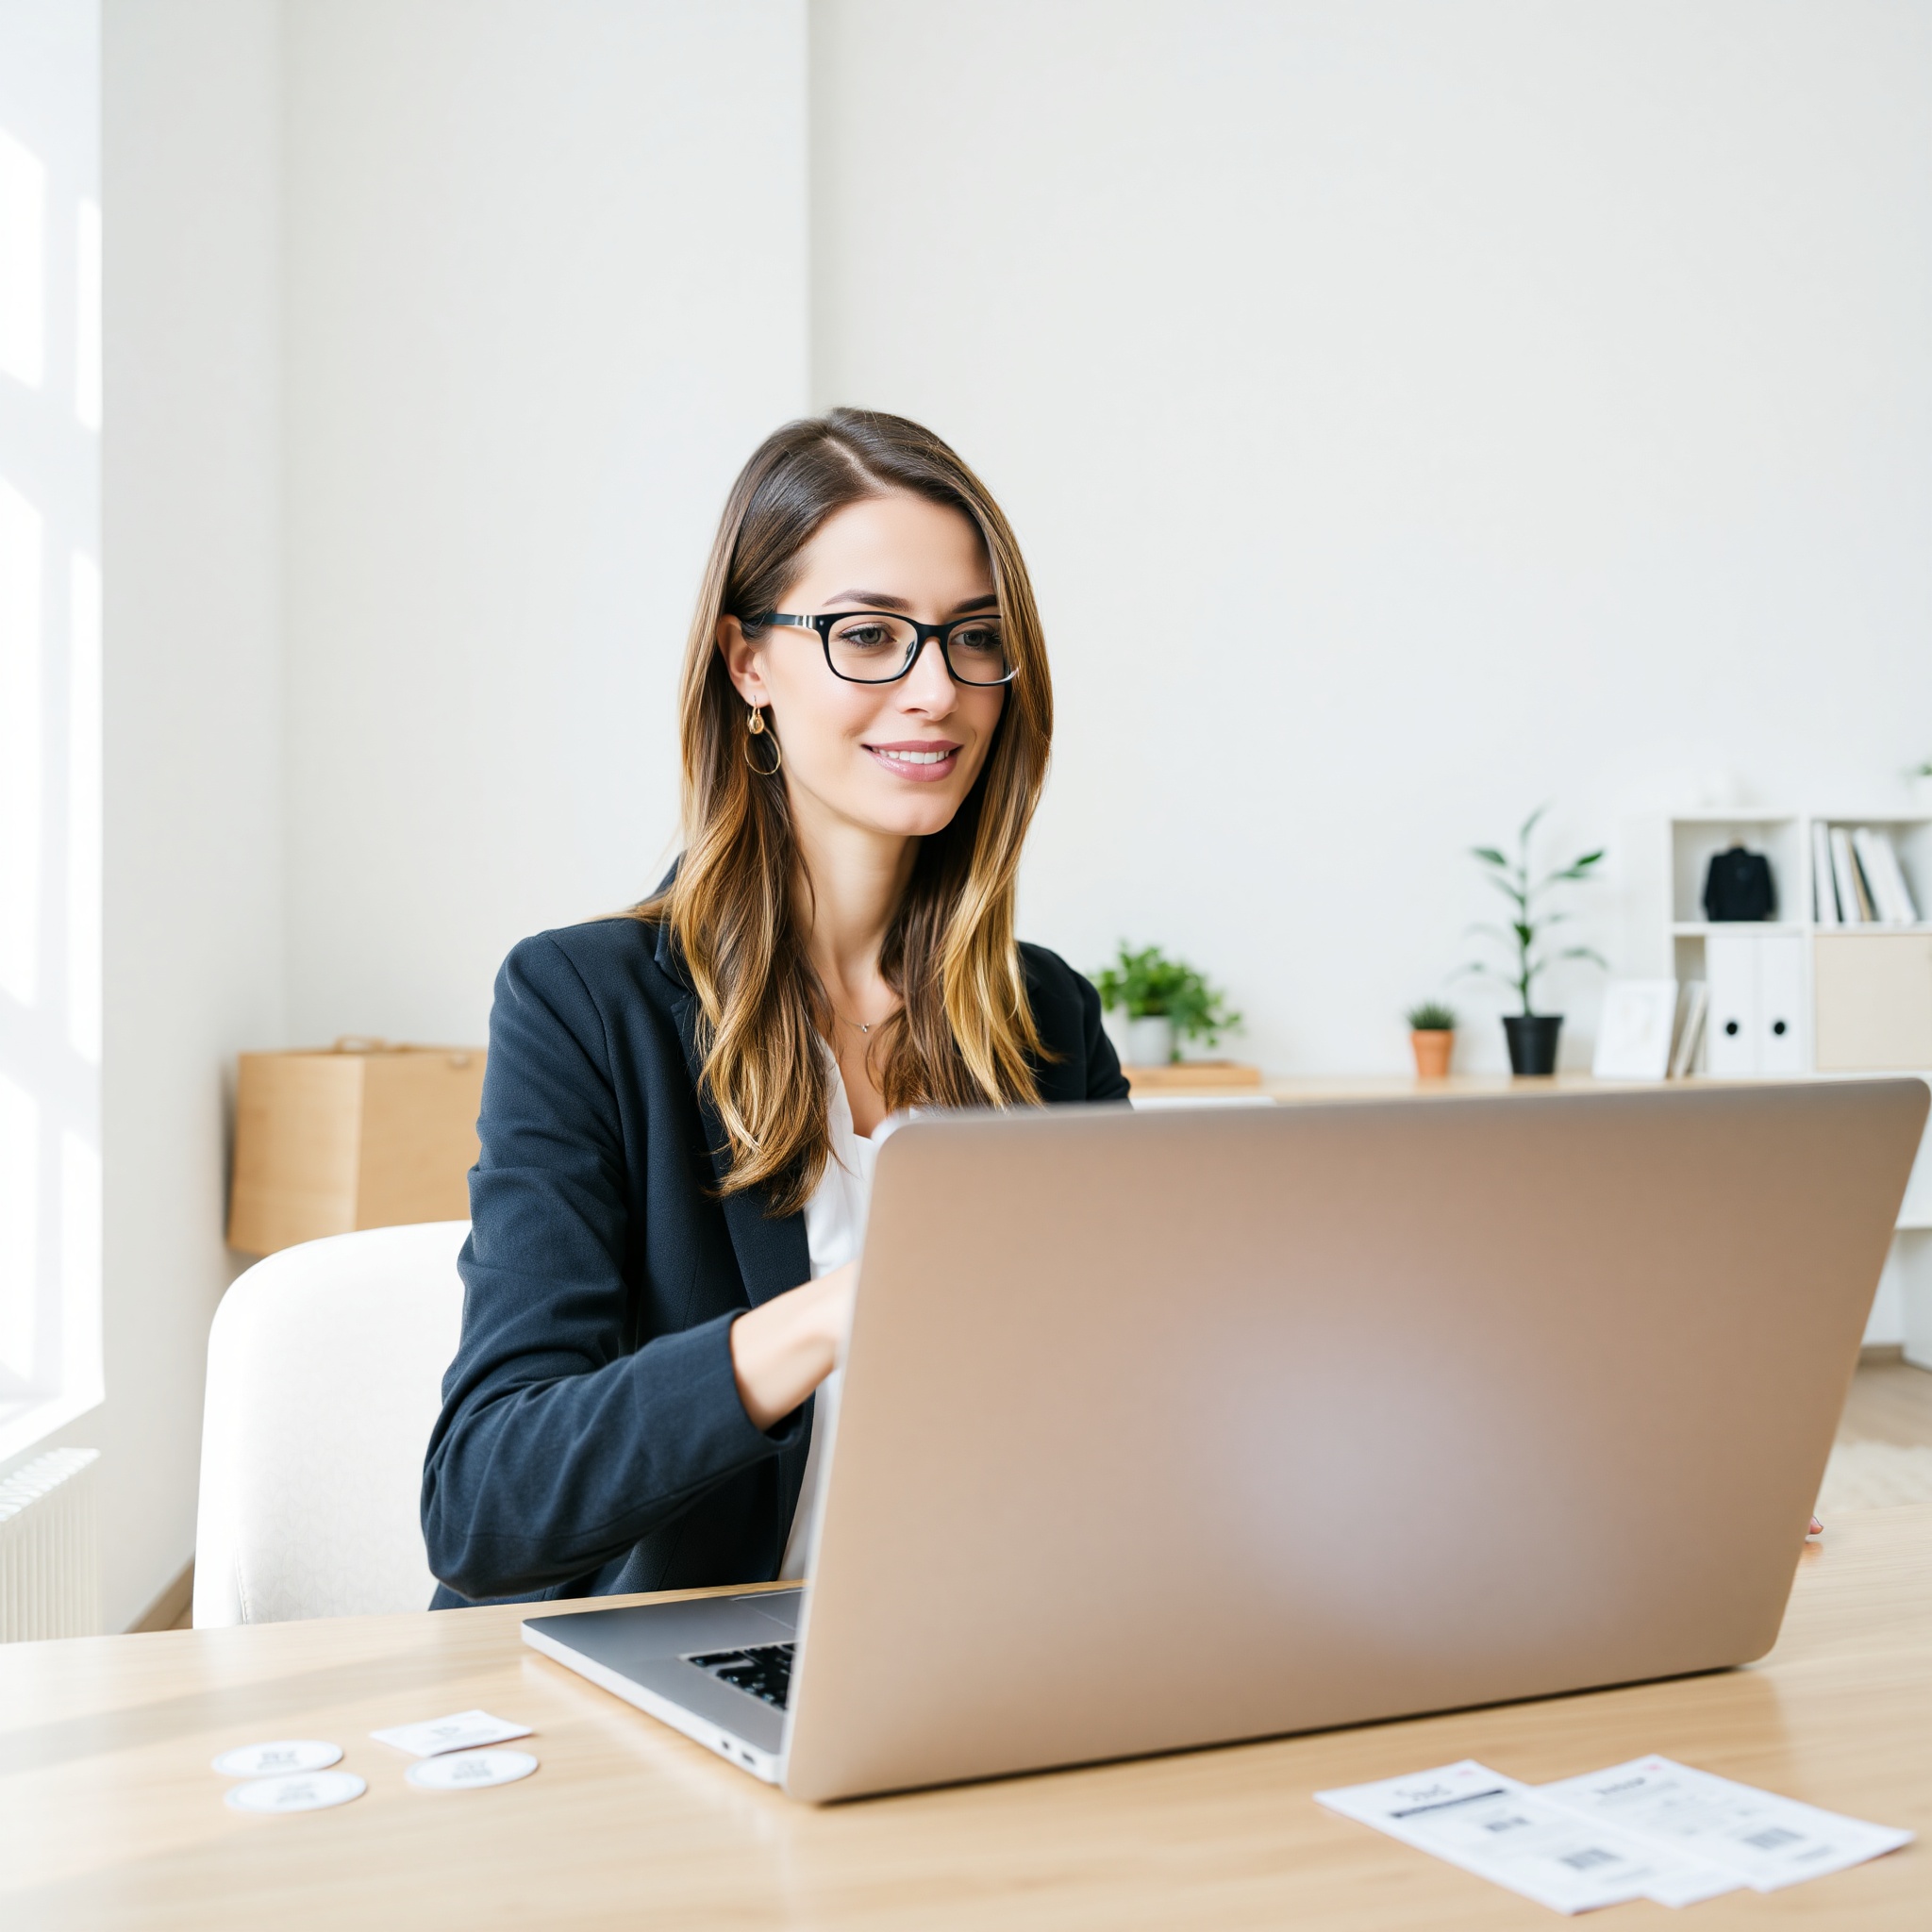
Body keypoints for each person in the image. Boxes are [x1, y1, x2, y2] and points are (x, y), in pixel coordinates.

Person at [422, 409, 1130, 1607]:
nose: (935, 689)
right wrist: (848, 1307)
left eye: (974, 638)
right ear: (747, 662)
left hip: (953, 1639)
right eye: (868, 634)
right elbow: (487, 1499)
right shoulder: (584, 1002)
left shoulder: (1044, 1017)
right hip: (656, 1656)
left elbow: (1120, 1412)